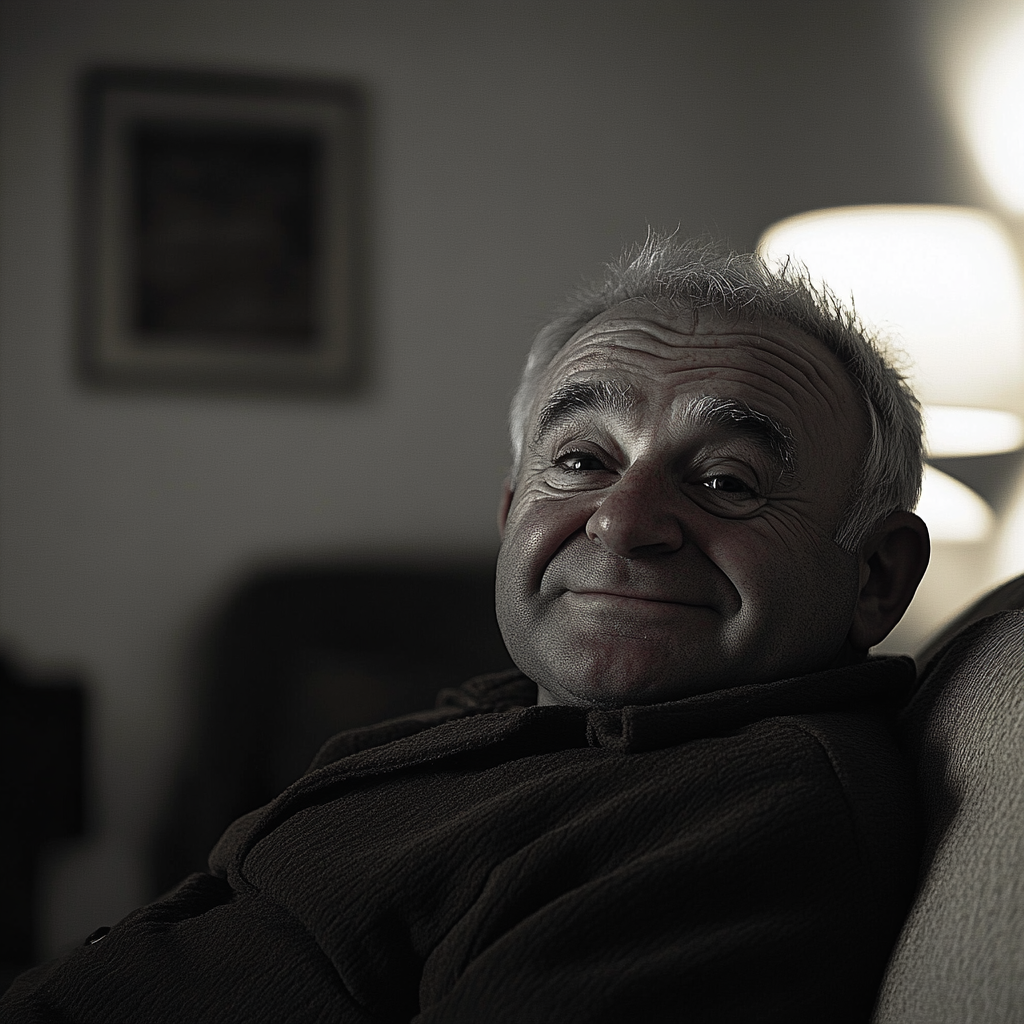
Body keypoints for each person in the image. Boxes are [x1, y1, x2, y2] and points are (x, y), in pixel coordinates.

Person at [2, 235, 931, 1022]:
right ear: (510, 515)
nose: (620, 519)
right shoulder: (517, 723)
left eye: (727, 479)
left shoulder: (747, 821)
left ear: (876, 575)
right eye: (579, 460)